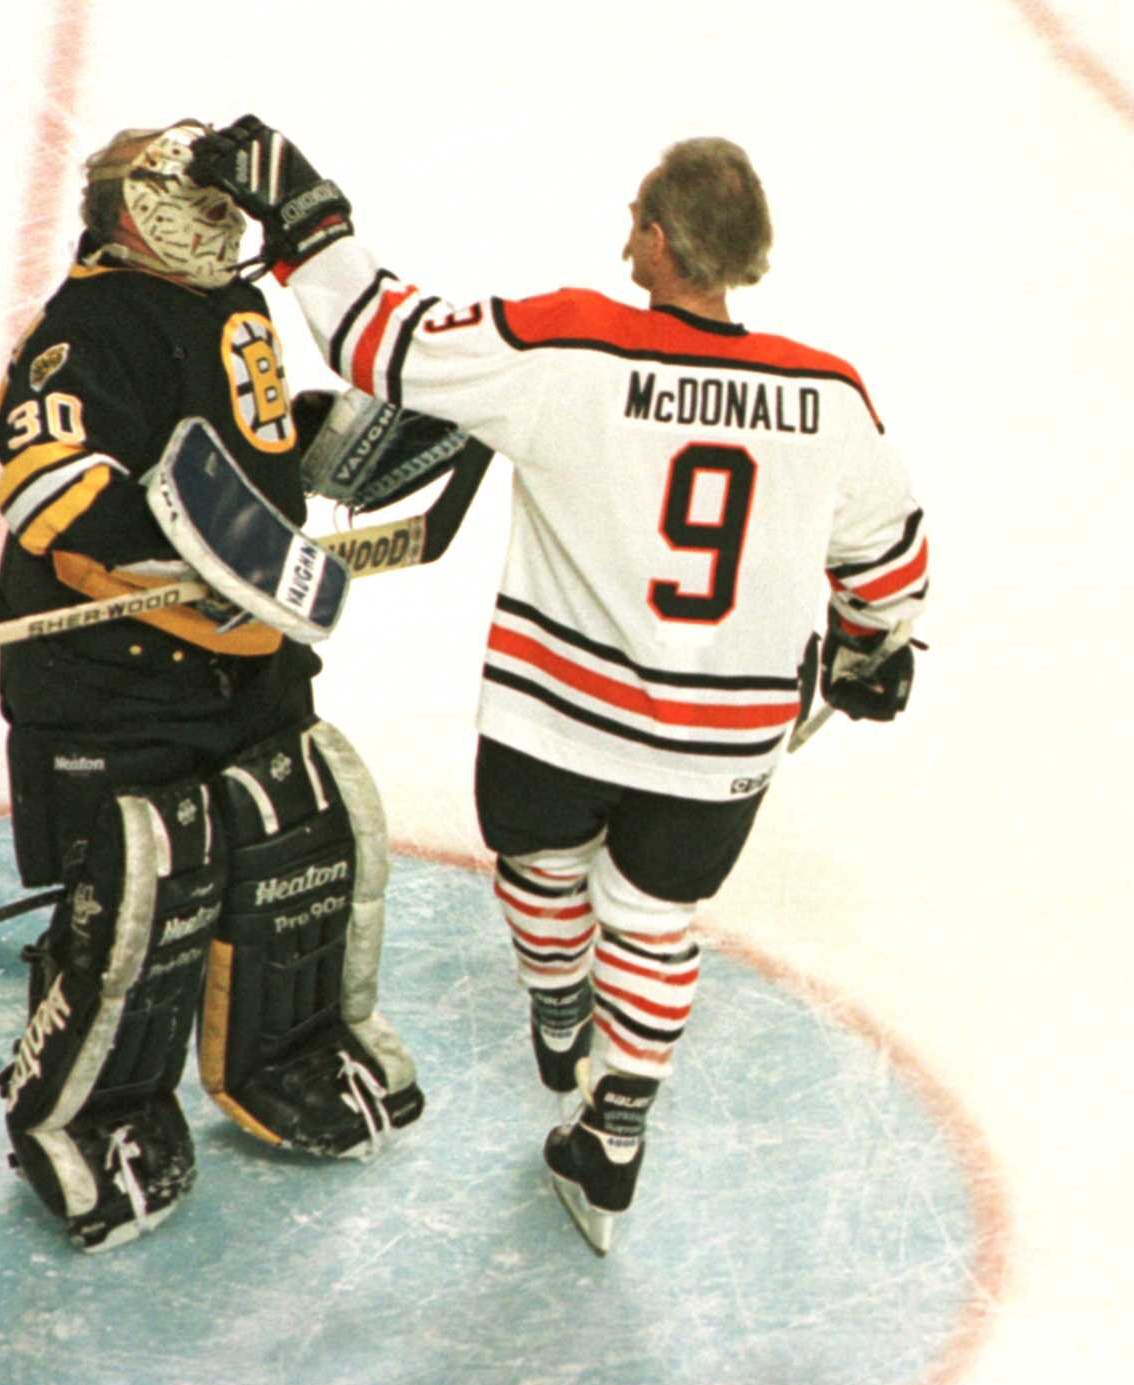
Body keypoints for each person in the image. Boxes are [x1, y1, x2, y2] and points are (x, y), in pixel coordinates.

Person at [193, 120, 931, 1254]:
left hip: (555, 722)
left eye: (635, 220)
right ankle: (615, 1121)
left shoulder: (568, 350)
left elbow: (378, 337)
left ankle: (553, 1003)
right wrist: (873, 647)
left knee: (541, 867)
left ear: (657, 241)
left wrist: (306, 220)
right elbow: (886, 559)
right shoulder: (828, 396)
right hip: (719, 746)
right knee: (655, 917)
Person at [0, 120, 478, 1252]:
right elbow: (51, 495)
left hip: (243, 665)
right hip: (119, 680)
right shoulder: (85, 327)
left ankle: (285, 1052)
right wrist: (191, 585)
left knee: (302, 832)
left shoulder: (228, 304)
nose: (226, 226)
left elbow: (233, 452)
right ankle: (85, 1112)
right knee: (153, 886)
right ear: (137, 210)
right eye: (199, 204)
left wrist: (332, 443)